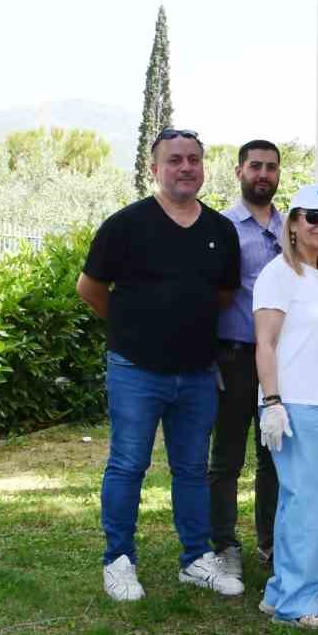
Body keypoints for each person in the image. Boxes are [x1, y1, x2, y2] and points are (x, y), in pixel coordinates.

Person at [76, 128, 241, 601]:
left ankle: (195, 559)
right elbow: (89, 289)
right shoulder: (125, 225)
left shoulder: (220, 231)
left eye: (193, 159)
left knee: (191, 469)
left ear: (203, 167)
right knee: (128, 464)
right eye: (174, 160)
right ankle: (119, 561)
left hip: (196, 373)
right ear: (155, 169)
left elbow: (224, 295)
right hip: (136, 370)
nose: (185, 167)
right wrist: (131, 329)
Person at [255, 184, 318, 629]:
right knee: (307, 503)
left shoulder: (317, 277)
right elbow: (266, 344)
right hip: (295, 403)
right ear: (292, 222)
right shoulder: (279, 274)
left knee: (301, 502)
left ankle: (284, 592)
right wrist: (272, 402)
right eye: (313, 216)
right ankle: (298, 603)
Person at [209, 139, 283, 575]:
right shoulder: (221, 228)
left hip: (278, 360)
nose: (263, 174)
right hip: (234, 356)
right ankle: (224, 545)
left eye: (271, 167)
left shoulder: (293, 225)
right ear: (239, 172)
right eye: (255, 166)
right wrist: (208, 356)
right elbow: (206, 295)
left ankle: (271, 544)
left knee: (274, 455)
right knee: (226, 459)